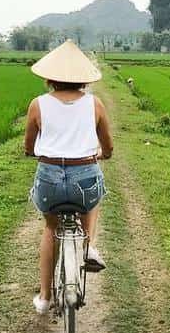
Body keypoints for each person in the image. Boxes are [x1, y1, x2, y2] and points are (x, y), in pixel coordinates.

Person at [24, 39, 114, 315]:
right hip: (84, 177)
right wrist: (103, 155)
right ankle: (88, 245)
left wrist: (30, 152)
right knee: (94, 197)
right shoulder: (95, 104)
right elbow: (108, 146)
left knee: (51, 228)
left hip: (50, 180)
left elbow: (29, 146)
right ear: (83, 80)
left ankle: (45, 296)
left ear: (50, 78)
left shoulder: (37, 105)